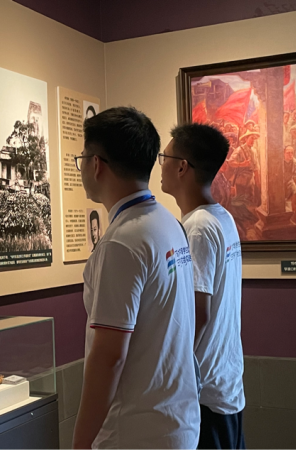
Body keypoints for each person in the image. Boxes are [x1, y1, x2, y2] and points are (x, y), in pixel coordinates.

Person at [72, 107, 200, 450]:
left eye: (81, 159)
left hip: (135, 433)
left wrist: (80, 443)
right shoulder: (167, 223)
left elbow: (109, 357)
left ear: (96, 164)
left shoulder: (121, 243)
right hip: (176, 422)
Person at [160, 123, 246, 450]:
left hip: (205, 391)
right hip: (225, 382)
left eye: (165, 158)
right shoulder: (222, 217)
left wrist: (172, 375)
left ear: (182, 167)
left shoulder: (197, 227)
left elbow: (199, 312)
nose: (161, 166)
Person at [284, 145, 296, 223]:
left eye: (292, 153)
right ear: (284, 153)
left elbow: (295, 176)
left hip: (289, 182)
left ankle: (295, 213)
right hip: (279, 183)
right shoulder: (280, 162)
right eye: (288, 153)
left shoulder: (294, 162)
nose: (290, 154)